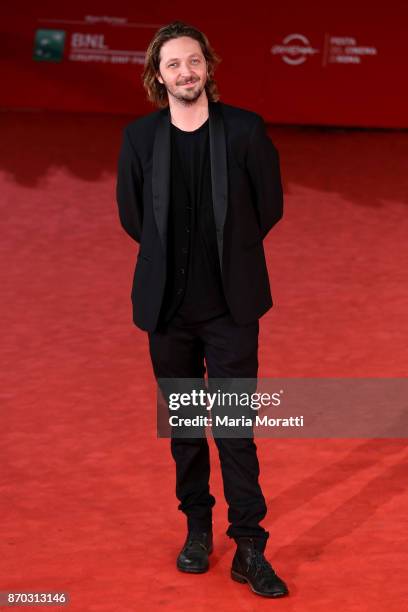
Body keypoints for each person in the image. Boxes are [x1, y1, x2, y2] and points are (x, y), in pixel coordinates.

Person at [115, 20, 289, 598]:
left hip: (232, 311)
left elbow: (269, 207)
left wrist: (232, 256)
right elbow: (134, 219)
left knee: (235, 430)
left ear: (208, 66)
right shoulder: (139, 139)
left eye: (194, 61)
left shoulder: (244, 130)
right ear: (157, 75)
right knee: (187, 430)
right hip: (168, 313)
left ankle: (249, 547)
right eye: (172, 65)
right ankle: (197, 530)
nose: (185, 72)